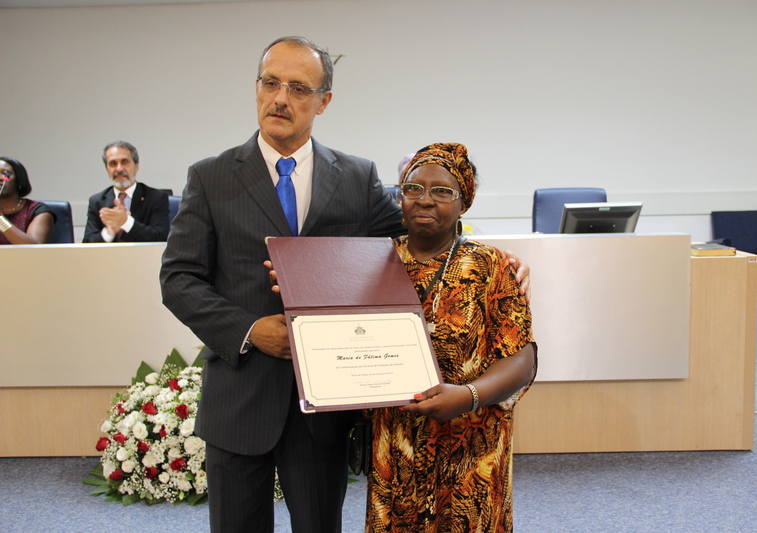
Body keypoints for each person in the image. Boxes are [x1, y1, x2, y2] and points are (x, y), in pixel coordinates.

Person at [160, 36, 529, 533]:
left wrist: (495, 259)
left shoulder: (356, 178)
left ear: (323, 101)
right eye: (270, 83)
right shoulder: (210, 177)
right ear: (256, 88)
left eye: (298, 87)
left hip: (326, 413)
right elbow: (179, 278)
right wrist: (249, 330)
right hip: (240, 400)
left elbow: (425, 220)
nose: (280, 98)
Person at [366, 143, 538, 533]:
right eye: (413, 189)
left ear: (463, 204)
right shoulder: (374, 262)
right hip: (398, 444)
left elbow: (522, 357)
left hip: (471, 444)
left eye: (442, 191)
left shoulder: (492, 265)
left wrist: (469, 395)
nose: (425, 200)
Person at [83, 141, 169, 243]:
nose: (119, 169)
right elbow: (87, 244)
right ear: (107, 169)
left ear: (137, 166)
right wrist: (109, 233)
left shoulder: (156, 198)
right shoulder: (97, 201)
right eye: (113, 163)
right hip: (108, 258)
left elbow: (161, 237)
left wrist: (126, 222)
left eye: (124, 162)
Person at [0, 156, 55, 244]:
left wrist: (1, 221)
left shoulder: (37, 211)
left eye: (5, 173)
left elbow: (32, 249)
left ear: (19, 180)